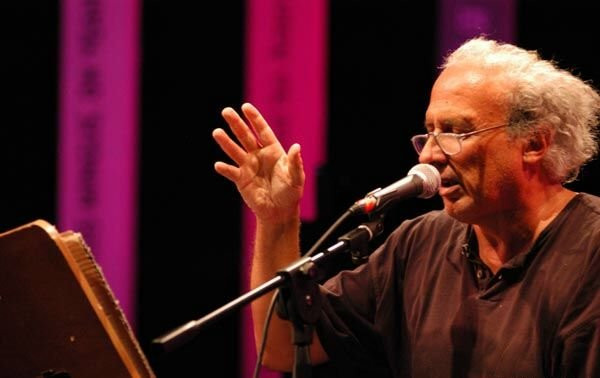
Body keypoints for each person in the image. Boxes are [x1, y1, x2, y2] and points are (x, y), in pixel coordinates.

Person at [212, 37, 600, 377]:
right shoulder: (420, 244)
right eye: (429, 133)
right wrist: (278, 219)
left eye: (455, 131)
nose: (429, 155)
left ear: (534, 144)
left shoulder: (591, 251)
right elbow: (282, 345)